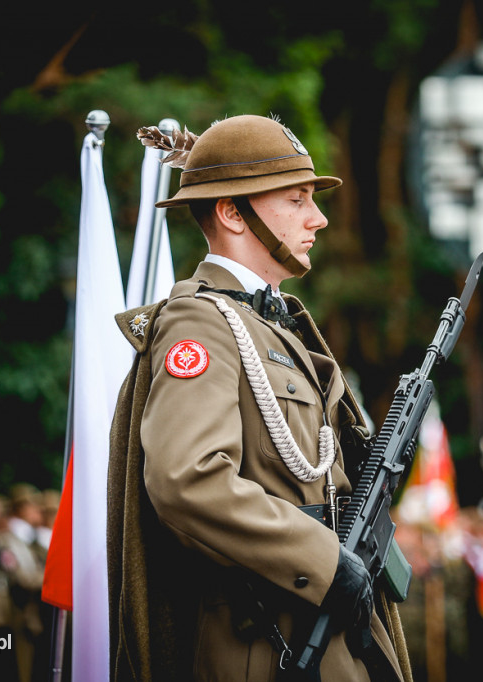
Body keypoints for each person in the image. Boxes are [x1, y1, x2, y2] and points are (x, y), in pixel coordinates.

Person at [107, 114, 411, 681]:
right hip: (267, 644)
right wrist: (321, 561)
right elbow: (187, 478)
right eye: (296, 200)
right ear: (231, 212)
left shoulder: (276, 327)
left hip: (320, 628)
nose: (317, 218)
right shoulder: (200, 324)